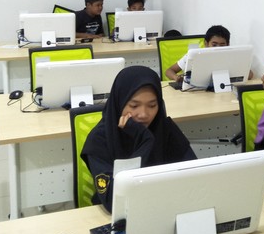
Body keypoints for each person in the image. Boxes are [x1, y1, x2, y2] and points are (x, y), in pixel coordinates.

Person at [81, 66, 196, 211]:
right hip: (119, 217)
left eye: (152, 105)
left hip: (163, 208)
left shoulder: (164, 128)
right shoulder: (99, 139)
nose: (143, 114)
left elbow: (195, 176)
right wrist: (145, 140)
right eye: (134, 106)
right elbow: (114, 201)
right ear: (119, 102)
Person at [164, 25, 230, 82]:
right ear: (206, 44)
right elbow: (169, 71)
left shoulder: (231, 57)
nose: (218, 48)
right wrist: (176, 77)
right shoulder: (194, 55)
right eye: (214, 45)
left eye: (222, 45)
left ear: (228, 44)